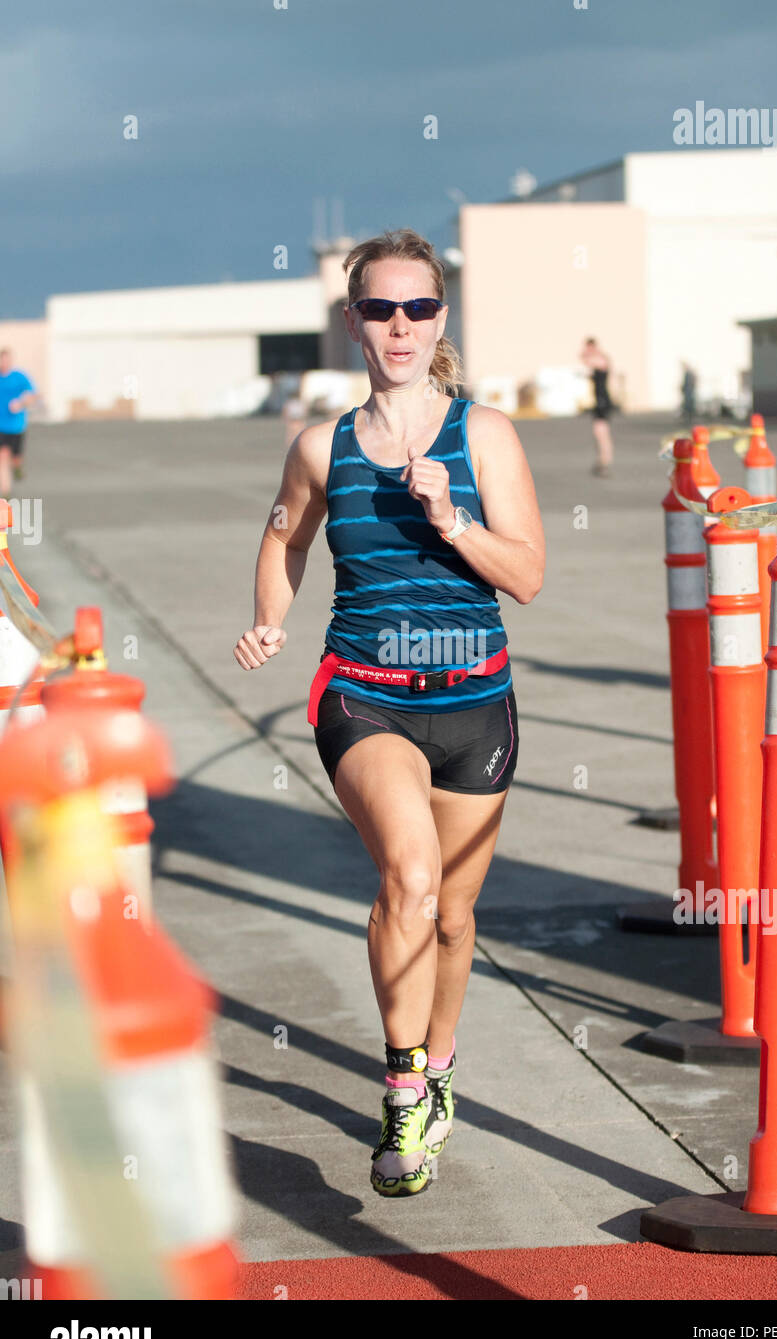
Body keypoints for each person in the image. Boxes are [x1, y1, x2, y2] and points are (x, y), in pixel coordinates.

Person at [233, 228, 545, 1198]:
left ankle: (438, 1065)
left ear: (439, 318)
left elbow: (527, 576)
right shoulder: (320, 446)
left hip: (476, 704)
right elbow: (284, 536)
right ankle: (402, 1086)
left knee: (452, 918)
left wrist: (453, 521)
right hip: (362, 696)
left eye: (416, 308)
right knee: (407, 879)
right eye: (379, 308)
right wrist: (269, 618)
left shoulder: (483, 435)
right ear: (352, 321)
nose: (398, 326)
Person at [0, 349, 37, 496]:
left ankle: (17, 468)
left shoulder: (19, 377)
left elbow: (32, 395)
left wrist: (20, 403)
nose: (4, 363)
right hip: (1, 426)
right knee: (3, 456)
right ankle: (6, 492)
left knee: (15, 459)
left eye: (7, 359)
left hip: (16, 426)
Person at [580, 337, 613, 476]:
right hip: (598, 400)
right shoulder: (598, 359)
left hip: (602, 401)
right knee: (598, 433)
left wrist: (589, 354)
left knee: (602, 434)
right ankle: (602, 460)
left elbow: (587, 360)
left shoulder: (599, 359)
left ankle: (605, 461)